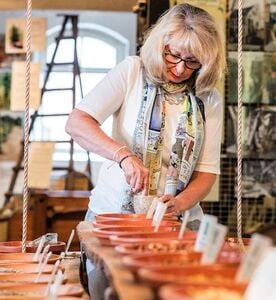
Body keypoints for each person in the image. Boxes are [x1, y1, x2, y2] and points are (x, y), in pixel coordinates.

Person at [65, 3, 225, 299]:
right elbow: (77, 123)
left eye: (192, 62)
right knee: (111, 291)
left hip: (175, 224)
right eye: (174, 55)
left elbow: (206, 172)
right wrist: (123, 155)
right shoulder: (132, 72)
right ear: (160, 44)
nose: (180, 69)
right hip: (114, 215)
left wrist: (179, 203)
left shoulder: (207, 98)